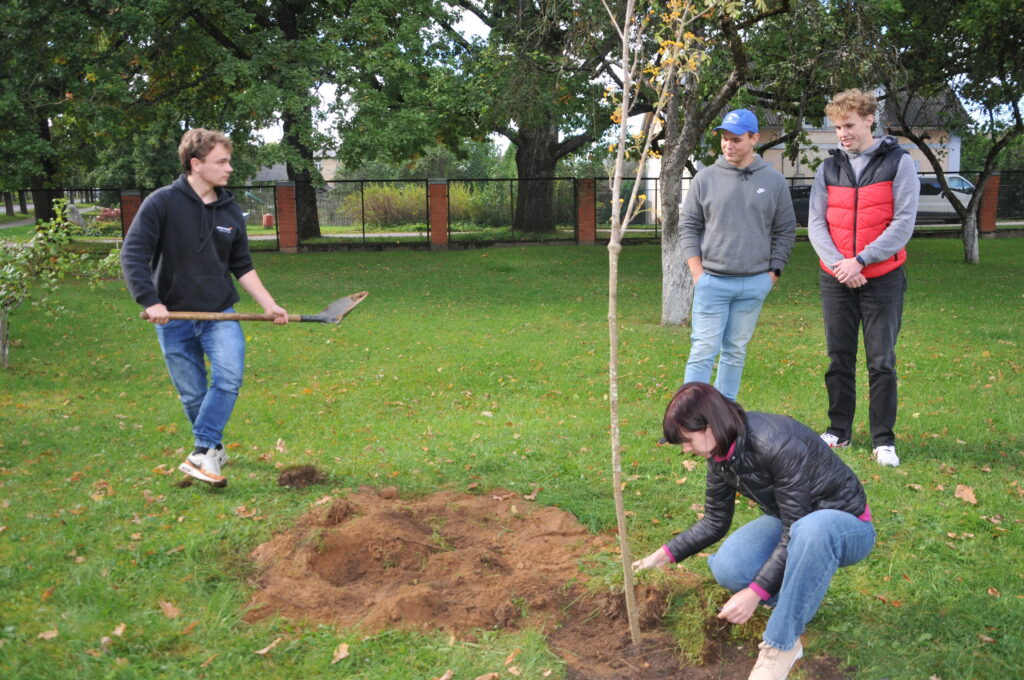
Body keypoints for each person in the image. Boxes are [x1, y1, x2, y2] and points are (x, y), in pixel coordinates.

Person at [634, 383, 875, 680]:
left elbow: (796, 527)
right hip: (791, 520)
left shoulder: (776, 443)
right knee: (728, 567)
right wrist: (658, 558)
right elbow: (714, 521)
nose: (686, 449)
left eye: (687, 440)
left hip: (844, 525)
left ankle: (781, 646)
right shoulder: (721, 454)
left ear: (710, 426)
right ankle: (794, 602)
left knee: (811, 530)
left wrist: (755, 592)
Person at [120, 128, 288, 487]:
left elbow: (241, 264)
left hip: (219, 312)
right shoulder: (162, 202)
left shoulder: (230, 209)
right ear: (196, 164)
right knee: (193, 393)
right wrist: (151, 301)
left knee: (228, 377)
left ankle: (201, 452)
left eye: (229, 161)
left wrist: (270, 304)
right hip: (173, 317)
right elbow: (133, 254)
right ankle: (213, 449)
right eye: (222, 162)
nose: (229, 169)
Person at [808, 89, 919, 467]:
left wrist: (861, 260)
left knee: (881, 361)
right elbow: (815, 224)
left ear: (870, 119)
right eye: (837, 127)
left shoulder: (898, 163)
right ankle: (838, 430)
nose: (843, 133)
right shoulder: (829, 168)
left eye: (849, 125)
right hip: (836, 277)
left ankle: (883, 440)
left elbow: (903, 223)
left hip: (882, 278)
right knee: (839, 357)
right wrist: (842, 264)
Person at [680, 108, 796, 402]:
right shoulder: (705, 179)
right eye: (724, 139)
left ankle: (724, 419)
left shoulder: (774, 182)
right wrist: (697, 272)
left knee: (735, 351)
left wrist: (773, 274)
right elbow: (688, 226)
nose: (728, 145)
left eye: (736, 140)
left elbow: (785, 230)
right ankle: (689, 422)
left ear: (754, 138)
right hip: (712, 282)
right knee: (703, 350)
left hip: (754, 284)